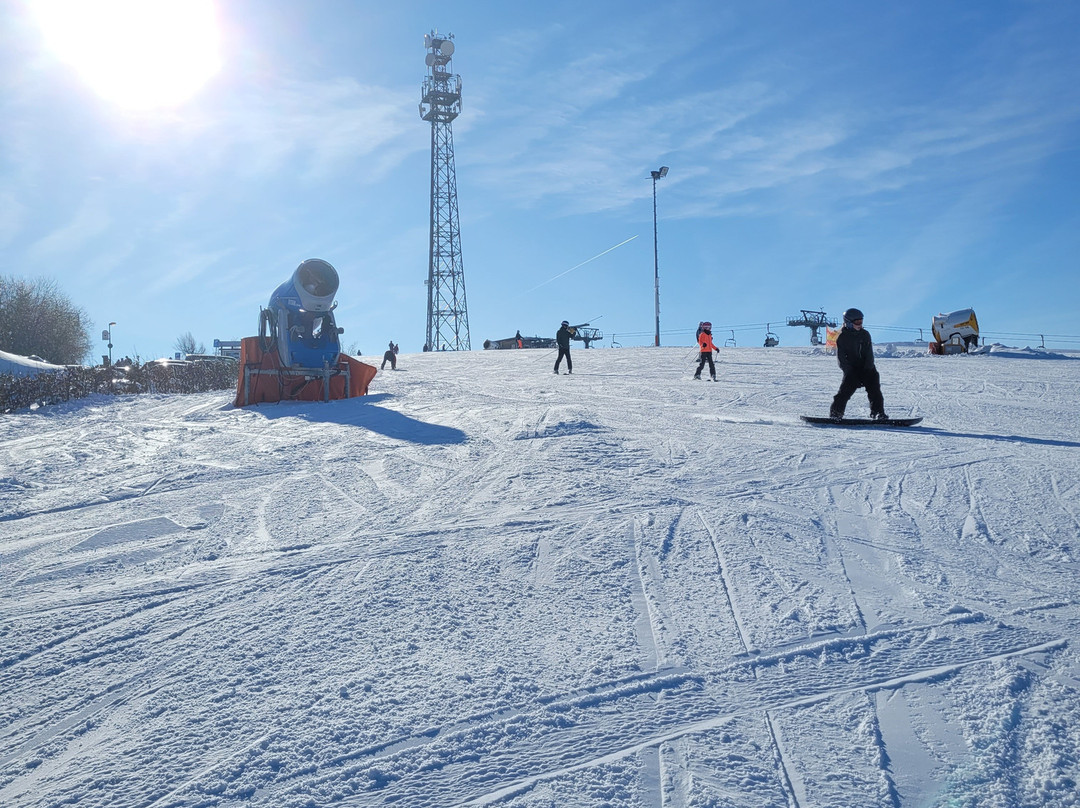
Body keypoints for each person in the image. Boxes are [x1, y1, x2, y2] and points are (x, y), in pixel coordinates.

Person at [830, 308, 887, 420]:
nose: (860, 324)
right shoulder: (842, 337)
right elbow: (841, 358)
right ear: (849, 322)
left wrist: (868, 369)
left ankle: (878, 413)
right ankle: (836, 414)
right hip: (852, 370)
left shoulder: (865, 334)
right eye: (857, 322)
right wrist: (849, 372)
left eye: (861, 321)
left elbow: (869, 354)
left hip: (867, 369)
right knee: (843, 394)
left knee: (875, 392)